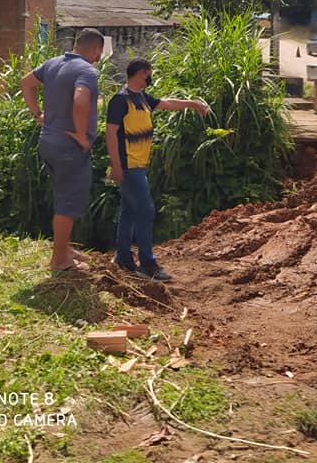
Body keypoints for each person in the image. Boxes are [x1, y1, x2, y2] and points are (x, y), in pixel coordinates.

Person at [106, 58, 209, 281]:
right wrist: (116, 166)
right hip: (129, 165)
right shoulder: (120, 100)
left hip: (139, 165)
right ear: (141, 73)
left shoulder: (141, 98)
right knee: (145, 210)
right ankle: (147, 264)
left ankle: (123, 257)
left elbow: (167, 103)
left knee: (130, 211)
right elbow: (111, 134)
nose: (150, 78)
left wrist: (192, 104)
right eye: (148, 74)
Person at [21, 28, 105, 272]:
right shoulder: (87, 71)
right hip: (69, 147)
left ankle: (64, 248)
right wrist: (81, 134)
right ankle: (60, 260)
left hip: (48, 141)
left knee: (62, 197)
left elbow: (26, 83)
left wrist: (37, 114)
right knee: (68, 203)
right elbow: (80, 99)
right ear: (96, 49)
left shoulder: (53, 63)